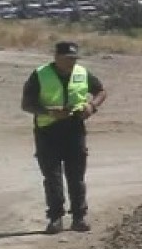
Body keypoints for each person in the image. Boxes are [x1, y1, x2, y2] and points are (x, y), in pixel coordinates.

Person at [21, 41, 107, 234]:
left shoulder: (82, 73)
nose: (71, 62)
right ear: (56, 57)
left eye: (74, 58)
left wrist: (92, 106)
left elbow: (101, 91)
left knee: (76, 176)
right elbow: (26, 104)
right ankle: (55, 218)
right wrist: (49, 112)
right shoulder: (40, 74)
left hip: (74, 128)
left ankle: (79, 217)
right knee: (52, 176)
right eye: (67, 58)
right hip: (47, 131)